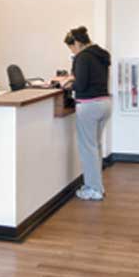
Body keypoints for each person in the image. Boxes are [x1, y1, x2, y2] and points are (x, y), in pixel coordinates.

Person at [54, 26, 112, 201]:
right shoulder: (101, 54)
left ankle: (94, 189)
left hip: (89, 106)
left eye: (71, 47)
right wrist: (73, 78)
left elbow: (82, 85)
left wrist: (67, 84)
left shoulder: (82, 57)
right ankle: (97, 186)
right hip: (104, 103)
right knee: (95, 146)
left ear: (77, 43)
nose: (72, 51)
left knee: (88, 149)